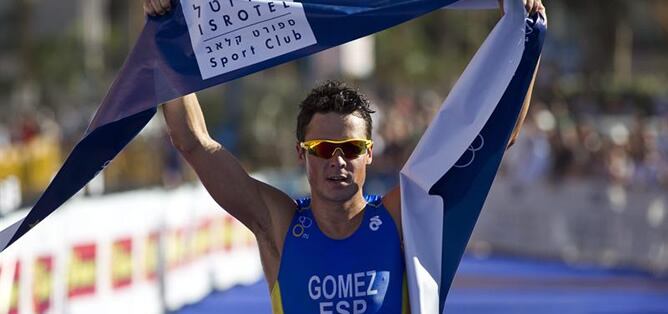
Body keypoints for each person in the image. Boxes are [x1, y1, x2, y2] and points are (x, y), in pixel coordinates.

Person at [144, 1, 545, 313]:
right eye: (323, 150)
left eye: (352, 149)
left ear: (369, 155)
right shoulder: (278, 226)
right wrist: (168, 35)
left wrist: (524, 35)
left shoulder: (400, 218)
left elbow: (498, 138)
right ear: (301, 155)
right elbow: (193, 142)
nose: (338, 161)